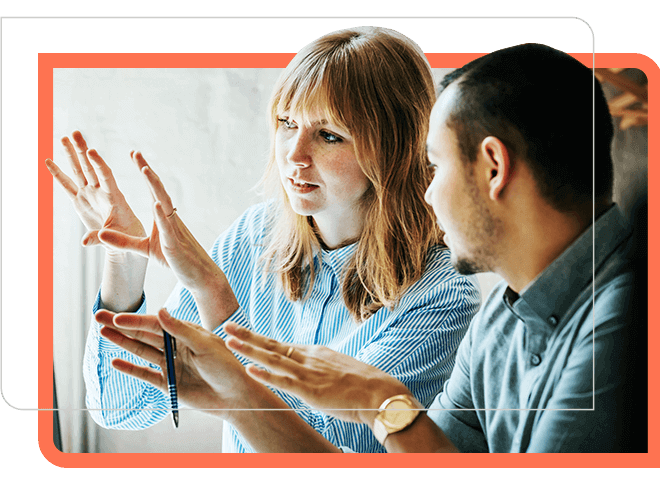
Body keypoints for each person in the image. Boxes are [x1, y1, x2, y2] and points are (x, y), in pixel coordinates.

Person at [128, 42, 640, 453]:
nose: (427, 192)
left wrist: (382, 404)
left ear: (493, 168)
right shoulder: (502, 321)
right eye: (286, 124)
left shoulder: (625, 324)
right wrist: (238, 401)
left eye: (436, 168)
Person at [45, 26, 481, 453]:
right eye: (287, 123)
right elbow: (124, 408)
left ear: (395, 148)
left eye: (329, 135)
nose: (294, 154)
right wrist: (124, 262)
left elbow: (325, 445)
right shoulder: (254, 237)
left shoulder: (443, 294)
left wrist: (213, 293)